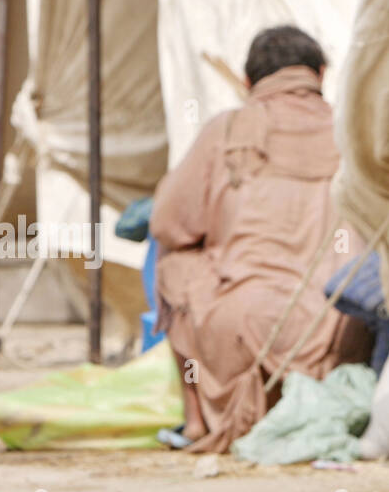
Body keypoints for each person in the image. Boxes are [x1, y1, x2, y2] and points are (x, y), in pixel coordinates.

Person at [150, 26, 371, 453]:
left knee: (173, 260)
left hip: (241, 332)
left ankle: (197, 421)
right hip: (342, 336)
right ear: (321, 73)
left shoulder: (228, 129)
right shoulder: (354, 132)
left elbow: (167, 223)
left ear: (248, 82)